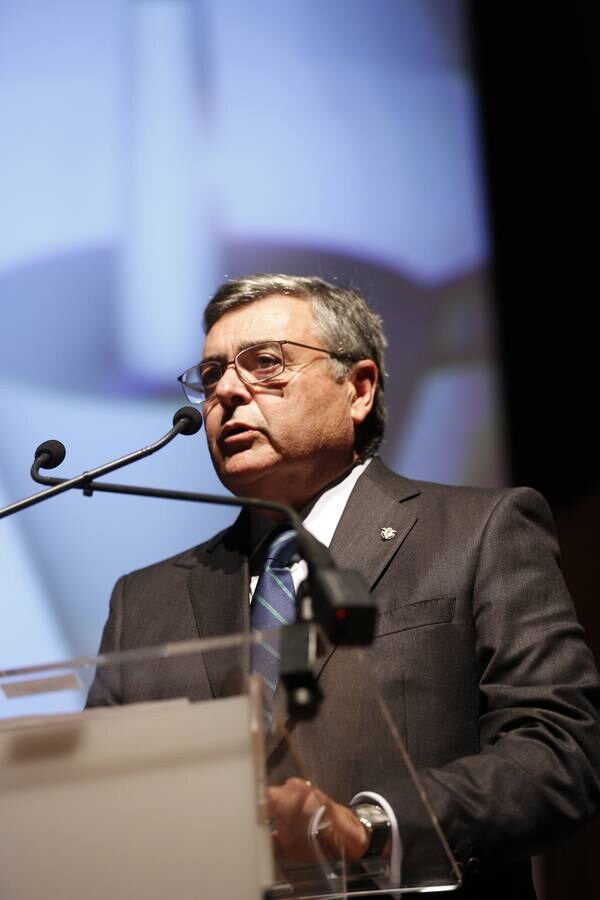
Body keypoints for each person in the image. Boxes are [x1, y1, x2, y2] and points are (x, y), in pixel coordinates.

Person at [87, 274, 600, 897]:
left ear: (358, 389)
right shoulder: (143, 602)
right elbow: (100, 802)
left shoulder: (480, 532)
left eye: (265, 364)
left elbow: (559, 751)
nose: (225, 391)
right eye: (212, 374)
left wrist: (372, 828)